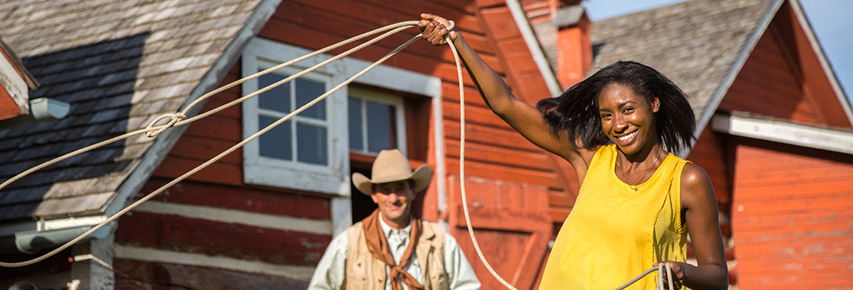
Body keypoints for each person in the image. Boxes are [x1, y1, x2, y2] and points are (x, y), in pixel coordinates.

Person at [418, 14, 728, 290]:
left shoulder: (686, 180)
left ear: (654, 105)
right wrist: (457, 41)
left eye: (628, 110)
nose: (619, 124)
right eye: (607, 115)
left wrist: (682, 271)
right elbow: (505, 104)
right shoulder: (591, 158)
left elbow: (717, 276)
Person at [308, 149, 481, 290]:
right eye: (385, 190)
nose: (393, 198)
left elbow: (468, 287)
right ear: (374, 196)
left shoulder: (440, 241)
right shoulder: (348, 243)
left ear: (412, 193)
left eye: (399, 189)